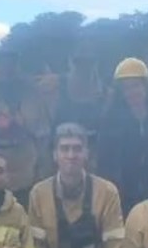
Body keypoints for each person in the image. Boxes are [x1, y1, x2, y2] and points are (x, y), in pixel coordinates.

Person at [0, 47, 52, 208]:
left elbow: (42, 134)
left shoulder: (31, 92)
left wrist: (40, 168)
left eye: (11, 62)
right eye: (2, 62)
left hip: (24, 167)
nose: (6, 68)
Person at [97, 57, 148, 216]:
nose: (132, 92)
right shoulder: (110, 123)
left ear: (145, 86)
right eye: (126, 88)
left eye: (136, 86)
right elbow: (105, 164)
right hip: (122, 198)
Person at [40, 42, 106, 171]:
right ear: (70, 61)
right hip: (57, 161)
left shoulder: (106, 94)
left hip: (91, 163)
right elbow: (44, 128)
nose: (84, 67)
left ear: (96, 63)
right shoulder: (54, 87)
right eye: (79, 61)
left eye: (89, 61)